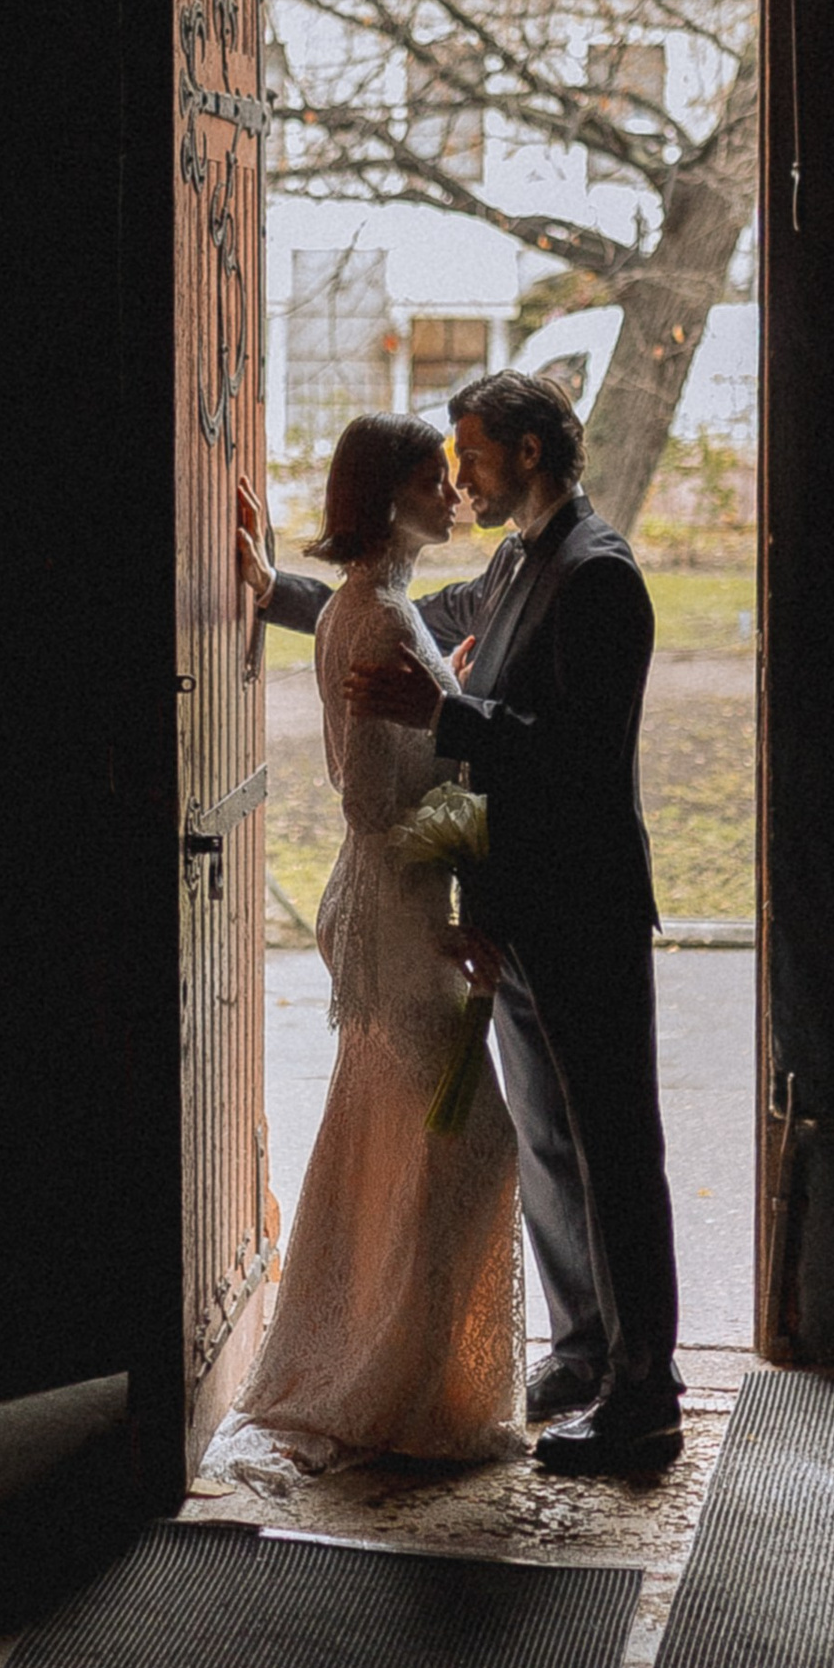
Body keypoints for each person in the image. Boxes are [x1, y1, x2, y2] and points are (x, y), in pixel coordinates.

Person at [242, 368, 681, 1476]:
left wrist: (451, 714)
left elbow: (582, 756)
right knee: (543, 1140)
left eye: (473, 457)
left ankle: (647, 1397)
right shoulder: (514, 559)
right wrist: (273, 589)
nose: (461, 477)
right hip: (503, 907)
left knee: (614, 1148)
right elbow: (402, 617)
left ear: (529, 454)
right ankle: (582, 1353)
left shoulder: (601, 574)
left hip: (581, 905)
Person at [240, 411, 523, 1468]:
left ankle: (372, 1358)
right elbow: (368, 801)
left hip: (382, 909)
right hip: (396, 920)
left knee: (387, 1144)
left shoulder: (371, 604)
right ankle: (400, 1385)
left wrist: (447, 696)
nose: (453, 494)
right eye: (432, 479)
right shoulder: (382, 619)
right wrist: (456, 884)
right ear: (388, 496)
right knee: (474, 1150)